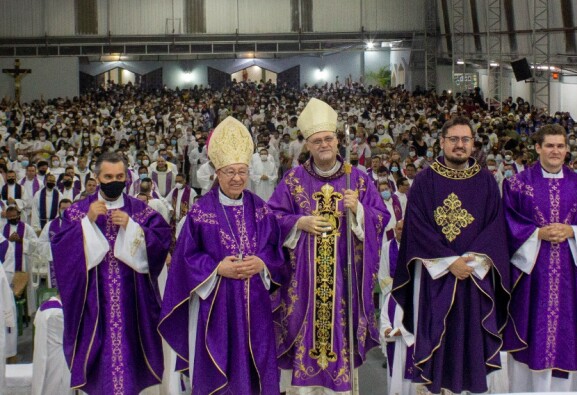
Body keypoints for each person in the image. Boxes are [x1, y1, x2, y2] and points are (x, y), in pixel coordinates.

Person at [159, 116, 288, 394]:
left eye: (242, 171)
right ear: (217, 172)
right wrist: (217, 268)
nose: (237, 178)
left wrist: (262, 263)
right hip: (217, 308)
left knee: (258, 371)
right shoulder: (200, 212)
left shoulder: (261, 209)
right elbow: (185, 259)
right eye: (230, 172)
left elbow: (276, 253)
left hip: (256, 307)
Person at [268, 98, 389, 394]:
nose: (324, 144)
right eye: (317, 140)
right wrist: (299, 223)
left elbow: (381, 217)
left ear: (337, 141)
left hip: (344, 284)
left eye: (328, 138)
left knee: (340, 338)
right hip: (304, 285)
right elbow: (273, 218)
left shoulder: (357, 180)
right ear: (307, 145)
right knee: (305, 343)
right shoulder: (293, 181)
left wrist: (359, 209)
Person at [392, 116, 510, 394]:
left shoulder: (486, 181)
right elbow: (416, 226)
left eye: (465, 140)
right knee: (437, 337)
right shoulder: (423, 180)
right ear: (441, 143)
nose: (460, 145)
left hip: (474, 274)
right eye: (454, 140)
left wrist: (470, 261)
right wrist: (449, 261)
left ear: (473, 144)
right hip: (436, 276)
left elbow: (495, 226)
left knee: (472, 339)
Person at [50, 152, 173, 394]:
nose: (114, 181)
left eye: (119, 176)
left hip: (132, 303)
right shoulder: (78, 212)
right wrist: (87, 222)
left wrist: (132, 227)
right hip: (93, 306)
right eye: (108, 176)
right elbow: (60, 248)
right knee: (99, 366)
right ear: (97, 177)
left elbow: (161, 241)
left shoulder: (139, 211)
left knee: (130, 360)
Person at [502, 124, 577, 391]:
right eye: (550, 145)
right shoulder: (517, 185)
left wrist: (573, 231)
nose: (555, 151)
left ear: (567, 149)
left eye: (560, 146)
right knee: (529, 336)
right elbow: (507, 223)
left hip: (568, 278)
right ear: (537, 148)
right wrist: (536, 234)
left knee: (564, 339)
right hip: (531, 278)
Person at [378, 220, 419, 395]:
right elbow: (383, 273)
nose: (400, 231)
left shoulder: (415, 246)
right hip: (393, 293)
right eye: (398, 228)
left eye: (403, 229)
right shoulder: (388, 247)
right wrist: (396, 288)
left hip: (412, 291)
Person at [0, 205, 39, 315]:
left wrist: (21, 240)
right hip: (7, 265)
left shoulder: (26, 228)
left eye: (14, 216)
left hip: (24, 263)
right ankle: (10, 312)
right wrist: (9, 239)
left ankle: (25, 313)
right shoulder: (3, 228)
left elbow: (35, 243)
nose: (12, 218)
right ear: (6, 217)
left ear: (18, 215)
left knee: (25, 288)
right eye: (10, 217)